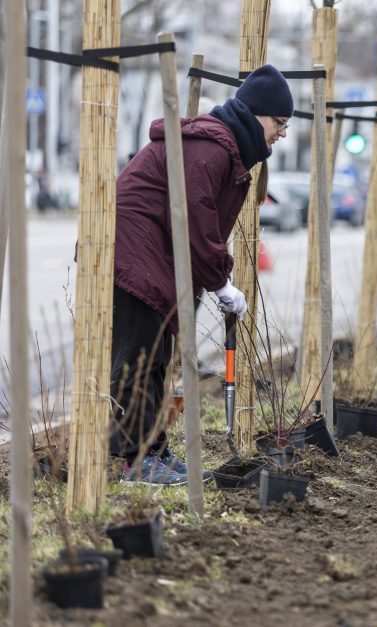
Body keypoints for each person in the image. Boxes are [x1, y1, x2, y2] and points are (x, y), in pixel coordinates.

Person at [109, 65, 294, 485]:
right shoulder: (212, 149)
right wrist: (221, 281)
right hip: (132, 248)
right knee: (139, 357)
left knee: (155, 356)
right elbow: (196, 221)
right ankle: (134, 462)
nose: (282, 133)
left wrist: (214, 279)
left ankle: (152, 450)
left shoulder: (226, 148)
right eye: (279, 123)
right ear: (256, 113)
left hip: (153, 253)